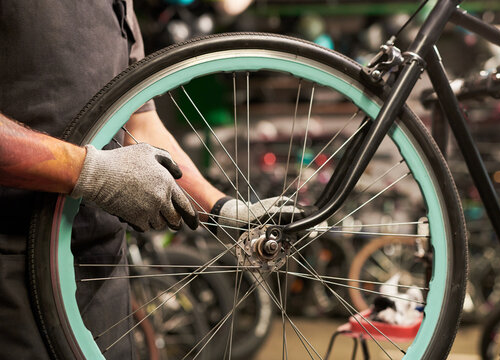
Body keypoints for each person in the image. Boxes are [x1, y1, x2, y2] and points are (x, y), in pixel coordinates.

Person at [0, 1, 304, 358]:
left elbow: (137, 123)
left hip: (98, 270)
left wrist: (221, 208)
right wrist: (89, 171)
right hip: (10, 266)